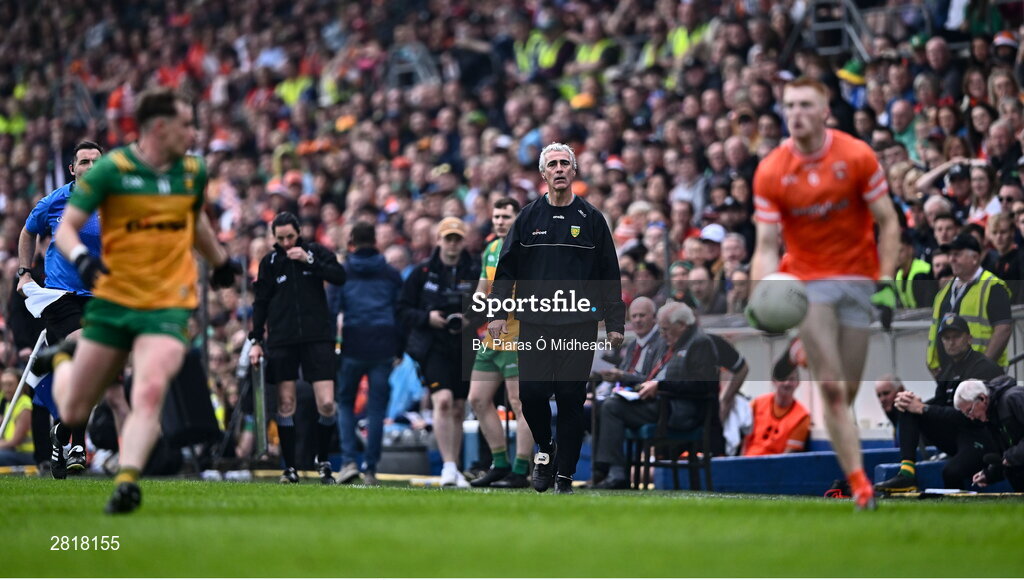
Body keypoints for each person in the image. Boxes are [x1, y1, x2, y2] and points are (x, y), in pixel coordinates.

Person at [33, 88, 241, 514]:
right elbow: (67, 229)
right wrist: (81, 259)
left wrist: (219, 261)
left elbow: (194, 216)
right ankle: (63, 359)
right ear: (159, 128)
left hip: (167, 301)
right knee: (73, 406)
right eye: (186, 124)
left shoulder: (192, 171)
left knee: (148, 389)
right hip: (114, 296)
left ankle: (127, 481)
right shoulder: (112, 170)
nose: (193, 132)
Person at [750, 77, 901, 510]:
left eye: (804, 104)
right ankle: (861, 487)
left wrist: (886, 282)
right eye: (789, 105)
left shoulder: (856, 155)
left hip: (857, 279)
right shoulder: (772, 168)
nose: (795, 113)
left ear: (824, 111)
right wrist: (762, 290)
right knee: (833, 391)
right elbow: (764, 244)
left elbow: (888, 221)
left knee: (849, 391)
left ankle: (805, 350)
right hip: (806, 283)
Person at [488, 142, 625, 494]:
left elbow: (609, 274)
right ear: (543, 173)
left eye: (566, 163)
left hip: (577, 323)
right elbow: (506, 270)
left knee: (570, 398)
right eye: (553, 164)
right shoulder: (528, 217)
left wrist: (614, 324)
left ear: (574, 171)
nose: (560, 168)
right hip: (535, 321)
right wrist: (497, 312)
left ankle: (565, 474)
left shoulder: (592, 219)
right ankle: (545, 448)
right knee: (531, 395)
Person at [17, 140, 109, 479]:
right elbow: (27, 233)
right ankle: (77, 443)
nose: (90, 167)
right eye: (83, 161)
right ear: (73, 169)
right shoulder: (54, 202)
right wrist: (24, 271)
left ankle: (66, 437)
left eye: (96, 161)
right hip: (62, 296)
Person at [250, 211, 346, 485]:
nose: (286, 243)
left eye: (290, 237)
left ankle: (323, 460)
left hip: (317, 336)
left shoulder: (315, 251)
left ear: (299, 233)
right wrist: (256, 339)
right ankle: (289, 466)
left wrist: (310, 260)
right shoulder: (269, 263)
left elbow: (340, 276)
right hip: (283, 338)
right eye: (280, 238)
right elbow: (261, 302)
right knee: (286, 402)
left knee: (327, 403)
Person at [593, 302, 718, 489]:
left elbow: (703, 385)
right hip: (663, 403)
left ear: (682, 325)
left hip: (681, 411)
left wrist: (660, 385)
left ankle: (616, 473)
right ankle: (604, 472)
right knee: (606, 404)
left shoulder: (700, 342)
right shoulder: (674, 343)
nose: (662, 334)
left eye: (666, 329)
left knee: (612, 407)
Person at [875, 315, 1002, 492]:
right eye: (946, 338)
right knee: (907, 407)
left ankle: (960, 508)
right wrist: (915, 404)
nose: (951, 342)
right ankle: (906, 474)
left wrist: (925, 408)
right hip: (957, 434)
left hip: (981, 437)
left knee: (951, 472)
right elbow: (941, 407)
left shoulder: (983, 367)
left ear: (969, 338)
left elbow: (971, 417)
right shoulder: (948, 371)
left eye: (956, 337)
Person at [399, 216, 479, 487]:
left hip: (464, 344)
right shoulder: (421, 273)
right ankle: (447, 465)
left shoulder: (474, 270)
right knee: (442, 400)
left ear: (463, 240)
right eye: (449, 238)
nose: (453, 244)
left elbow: (489, 303)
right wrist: (427, 317)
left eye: (457, 238)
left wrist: (470, 318)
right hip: (433, 345)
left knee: (458, 407)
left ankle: (454, 466)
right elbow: (402, 309)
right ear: (439, 240)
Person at [328, 221, 403, 487]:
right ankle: (370, 468)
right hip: (383, 345)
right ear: (375, 242)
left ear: (352, 242)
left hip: (353, 343)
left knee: (345, 402)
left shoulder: (343, 272)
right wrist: (400, 347)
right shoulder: (391, 274)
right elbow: (400, 311)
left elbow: (331, 310)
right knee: (376, 409)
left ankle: (348, 461)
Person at [467, 198, 536, 488]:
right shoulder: (491, 250)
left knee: (520, 403)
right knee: (478, 400)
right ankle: (500, 463)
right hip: (492, 336)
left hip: (520, 333)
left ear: (516, 219)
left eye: (505, 216)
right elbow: (482, 290)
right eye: (496, 216)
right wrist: (472, 309)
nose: (499, 221)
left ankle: (520, 470)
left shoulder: (527, 250)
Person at [925, 232, 1011, 374]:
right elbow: (936, 331)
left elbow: (1003, 329)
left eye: (957, 254)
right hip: (949, 376)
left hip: (983, 379)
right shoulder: (944, 291)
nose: (951, 259)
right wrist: (933, 366)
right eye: (950, 254)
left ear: (975, 258)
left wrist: (982, 368)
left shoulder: (993, 286)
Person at [954, 377, 1024, 491]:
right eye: (966, 414)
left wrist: (1013, 456)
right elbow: (1005, 456)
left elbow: (1011, 455)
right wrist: (990, 474)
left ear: (982, 398)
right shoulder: (990, 417)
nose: (971, 417)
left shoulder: (1014, 398)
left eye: (969, 411)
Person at [741, 369, 810, 456]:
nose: (787, 383)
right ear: (774, 381)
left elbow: (789, 456)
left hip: (776, 467)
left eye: (792, 379)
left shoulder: (802, 417)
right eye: (783, 378)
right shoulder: (756, 404)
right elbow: (743, 442)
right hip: (748, 463)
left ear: (798, 383)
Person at [0, 368, 34, 466]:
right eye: (4, 385)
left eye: (10, 384)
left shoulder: (25, 405)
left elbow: (15, 441)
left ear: (20, 385)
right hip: (12, 451)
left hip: (26, 453)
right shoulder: (9, 403)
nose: (6, 389)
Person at [874, 374, 905, 441]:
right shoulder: (896, 422)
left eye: (886, 393)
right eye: (879, 395)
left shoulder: (912, 420)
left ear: (901, 390)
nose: (882, 399)